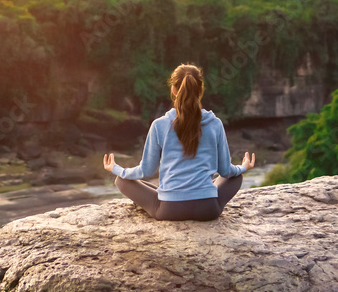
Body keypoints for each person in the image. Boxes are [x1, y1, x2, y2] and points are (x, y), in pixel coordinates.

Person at [103, 63, 255, 221]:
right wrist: (243, 167)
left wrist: (117, 169)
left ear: (173, 90)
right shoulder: (214, 123)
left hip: (169, 211)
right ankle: (196, 193)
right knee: (236, 176)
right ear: (200, 90)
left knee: (122, 180)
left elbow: (146, 171)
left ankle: (172, 194)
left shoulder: (159, 125)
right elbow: (226, 171)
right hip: (208, 209)